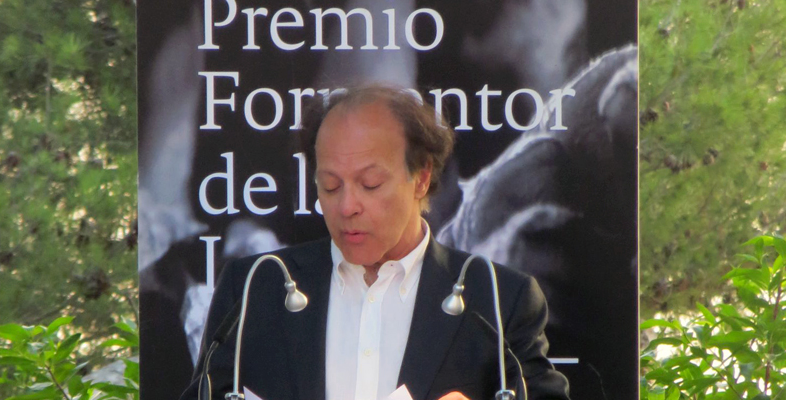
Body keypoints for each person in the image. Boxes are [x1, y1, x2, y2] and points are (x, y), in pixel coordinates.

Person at [179, 85, 570, 400]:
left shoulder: (498, 301)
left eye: (370, 184)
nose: (347, 206)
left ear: (421, 177)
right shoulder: (254, 288)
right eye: (330, 186)